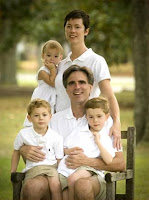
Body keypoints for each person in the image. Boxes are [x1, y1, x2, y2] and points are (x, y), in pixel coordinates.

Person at [20, 65, 125, 200]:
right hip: (58, 175)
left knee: (81, 185)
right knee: (33, 186)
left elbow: (120, 164)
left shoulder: (104, 120)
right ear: (66, 89)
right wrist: (23, 149)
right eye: (71, 83)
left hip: (92, 177)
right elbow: (36, 145)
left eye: (82, 82)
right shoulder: (54, 119)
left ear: (90, 87)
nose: (77, 87)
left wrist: (87, 162)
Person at [52, 9, 121, 149]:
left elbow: (109, 95)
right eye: (69, 26)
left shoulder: (96, 61)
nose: (72, 31)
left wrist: (116, 122)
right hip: (60, 127)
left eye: (77, 27)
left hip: (85, 126)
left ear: (86, 31)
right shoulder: (61, 64)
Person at [58, 96, 117, 200]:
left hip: (89, 169)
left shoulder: (104, 136)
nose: (95, 120)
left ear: (106, 117)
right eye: (91, 117)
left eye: (99, 116)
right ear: (86, 117)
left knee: (72, 179)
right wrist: (68, 151)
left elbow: (108, 160)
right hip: (68, 168)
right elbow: (64, 147)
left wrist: (98, 141)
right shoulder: (79, 131)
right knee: (63, 189)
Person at [11, 99, 64, 200]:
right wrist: (13, 171)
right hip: (34, 168)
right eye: (36, 115)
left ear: (50, 117)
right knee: (32, 188)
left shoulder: (56, 137)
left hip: (51, 167)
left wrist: (60, 173)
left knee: (55, 186)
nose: (41, 118)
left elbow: (59, 158)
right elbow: (16, 151)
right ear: (29, 118)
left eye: (44, 115)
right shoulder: (23, 134)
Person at [23, 40, 63, 127]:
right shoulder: (42, 71)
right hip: (43, 97)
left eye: (55, 56)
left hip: (52, 98)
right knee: (40, 115)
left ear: (60, 58)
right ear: (43, 55)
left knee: (50, 120)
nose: (52, 58)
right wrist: (52, 69)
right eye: (49, 55)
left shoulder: (59, 68)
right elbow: (52, 83)